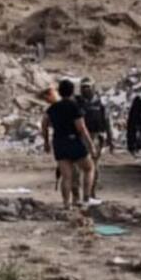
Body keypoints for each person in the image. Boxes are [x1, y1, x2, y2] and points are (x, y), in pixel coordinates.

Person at [42, 79, 99, 210]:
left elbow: (44, 124)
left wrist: (46, 141)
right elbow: (82, 128)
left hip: (59, 143)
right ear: (73, 91)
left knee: (66, 176)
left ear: (60, 92)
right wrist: (91, 146)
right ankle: (86, 199)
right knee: (89, 168)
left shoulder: (52, 108)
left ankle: (66, 204)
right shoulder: (74, 106)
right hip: (74, 142)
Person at [75, 78, 115, 201]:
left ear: (93, 87)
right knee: (77, 168)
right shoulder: (77, 102)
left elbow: (107, 121)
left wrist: (110, 139)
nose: (86, 89)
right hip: (80, 137)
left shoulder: (100, 103)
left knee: (94, 167)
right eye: (83, 87)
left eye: (88, 86)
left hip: (96, 137)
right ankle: (77, 196)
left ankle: (91, 193)